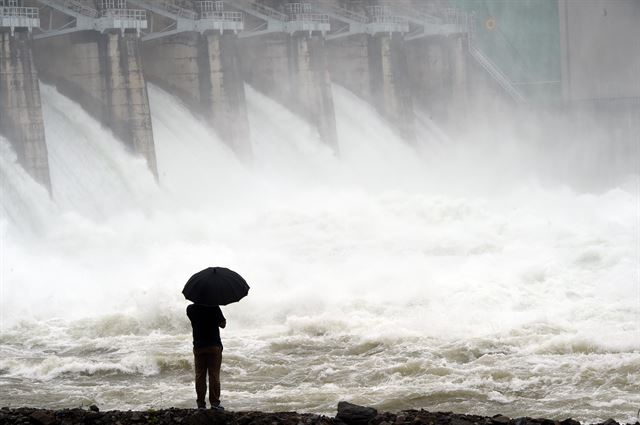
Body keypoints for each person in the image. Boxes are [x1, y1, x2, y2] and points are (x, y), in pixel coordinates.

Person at [186, 303, 226, 410]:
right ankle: (215, 403)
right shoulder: (214, 306)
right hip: (214, 345)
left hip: (199, 346)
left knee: (200, 375)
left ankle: (201, 405)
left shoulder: (190, 309)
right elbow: (223, 324)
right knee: (214, 375)